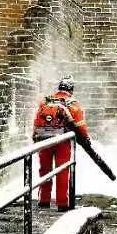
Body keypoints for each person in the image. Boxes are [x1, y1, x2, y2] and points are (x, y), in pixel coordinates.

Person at [32, 75, 89, 211]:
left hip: (44, 140)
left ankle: (43, 200)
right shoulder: (72, 104)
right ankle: (62, 203)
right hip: (62, 142)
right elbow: (80, 125)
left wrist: (35, 137)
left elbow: (36, 120)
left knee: (45, 170)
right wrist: (85, 138)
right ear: (71, 89)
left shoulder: (46, 101)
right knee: (62, 171)